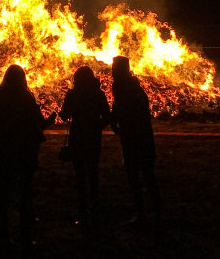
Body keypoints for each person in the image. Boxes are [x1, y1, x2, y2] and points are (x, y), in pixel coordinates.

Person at [0, 64, 56, 249]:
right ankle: (25, 234)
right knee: (25, 191)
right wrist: (50, 120)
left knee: (5, 190)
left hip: (6, 148)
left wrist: (6, 124)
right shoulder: (25, 96)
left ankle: (3, 231)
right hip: (25, 149)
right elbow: (39, 122)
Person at [59, 66, 111, 236]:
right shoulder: (98, 93)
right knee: (93, 172)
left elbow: (64, 115)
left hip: (78, 137)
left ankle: (83, 213)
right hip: (93, 137)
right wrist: (97, 127)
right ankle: (95, 209)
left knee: (80, 175)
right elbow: (107, 115)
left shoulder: (73, 94)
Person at [110, 55, 161, 231]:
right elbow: (118, 107)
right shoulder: (127, 85)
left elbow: (125, 109)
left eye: (114, 67)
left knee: (140, 174)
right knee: (144, 174)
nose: (112, 70)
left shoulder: (125, 86)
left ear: (122, 69)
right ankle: (151, 214)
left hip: (136, 135)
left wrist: (113, 121)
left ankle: (147, 215)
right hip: (137, 134)